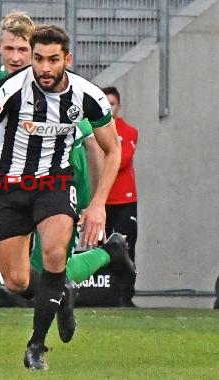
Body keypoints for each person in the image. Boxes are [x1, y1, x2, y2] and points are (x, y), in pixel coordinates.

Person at [0, 13, 132, 368]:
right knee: (16, 279)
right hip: (9, 188)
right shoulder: (9, 85)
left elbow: (102, 146)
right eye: (15, 50)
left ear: (65, 59)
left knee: (54, 257)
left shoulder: (84, 95)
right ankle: (100, 261)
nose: (23, 59)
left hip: (56, 183)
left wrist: (95, 203)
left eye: (28, 52)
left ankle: (34, 346)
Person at [103, 86, 139, 307]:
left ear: (119, 106)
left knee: (126, 248)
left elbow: (121, 160)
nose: (108, 108)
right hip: (102, 201)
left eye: (112, 104)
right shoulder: (92, 129)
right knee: (102, 249)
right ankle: (106, 294)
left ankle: (126, 295)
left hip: (124, 200)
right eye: (104, 103)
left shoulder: (129, 130)